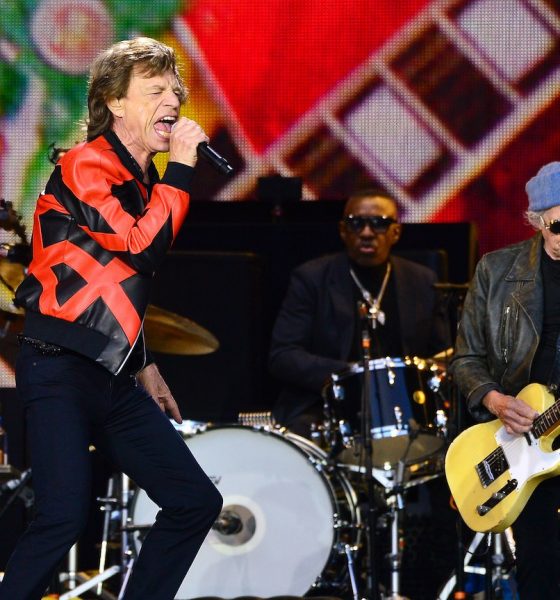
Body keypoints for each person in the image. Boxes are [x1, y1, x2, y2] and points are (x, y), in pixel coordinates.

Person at [0, 37, 222, 600]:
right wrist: (184, 167)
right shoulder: (85, 164)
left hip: (110, 374)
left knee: (195, 499)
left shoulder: (142, 180)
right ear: (115, 103)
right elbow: (139, 248)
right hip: (58, 368)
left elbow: (110, 284)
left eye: (176, 90)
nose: (173, 99)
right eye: (156, 90)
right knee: (64, 515)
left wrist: (142, 362)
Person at [450, 161, 560, 599]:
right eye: (557, 226)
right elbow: (466, 359)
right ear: (536, 222)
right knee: (540, 565)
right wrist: (496, 401)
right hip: (526, 439)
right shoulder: (497, 271)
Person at [269, 189, 451, 440]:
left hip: (405, 408)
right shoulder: (311, 278)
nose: (367, 232)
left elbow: (441, 355)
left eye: (379, 223)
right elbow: (283, 356)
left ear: (395, 232)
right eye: (357, 223)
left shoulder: (422, 281)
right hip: (326, 407)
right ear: (343, 230)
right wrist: (350, 376)